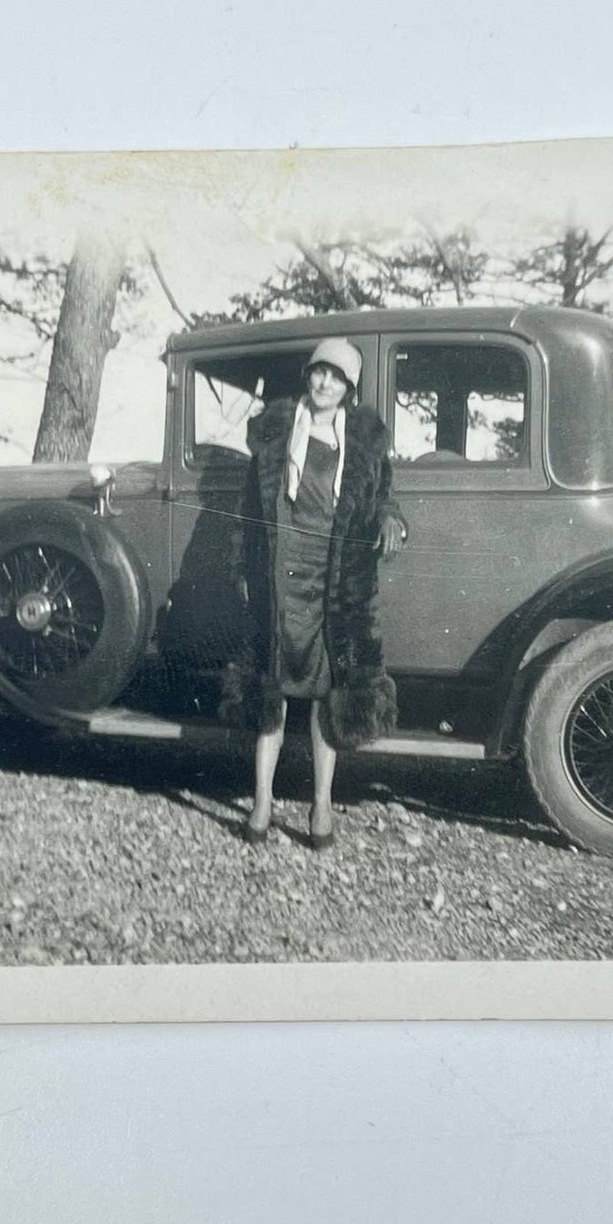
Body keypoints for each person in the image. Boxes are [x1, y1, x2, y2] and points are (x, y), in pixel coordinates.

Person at [221, 336, 407, 847]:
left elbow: (384, 496)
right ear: (309, 375)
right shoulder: (275, 434)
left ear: (349, 388)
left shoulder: (365, 444)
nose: (325, 383)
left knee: (328, 696)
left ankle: (321, 804)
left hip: (332, 583)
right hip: (279, 576)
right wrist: (242, 566)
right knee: (271, 691)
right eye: (319, 372)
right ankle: (261, 801)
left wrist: (391, 518)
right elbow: (246, 511)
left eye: (336, 377)